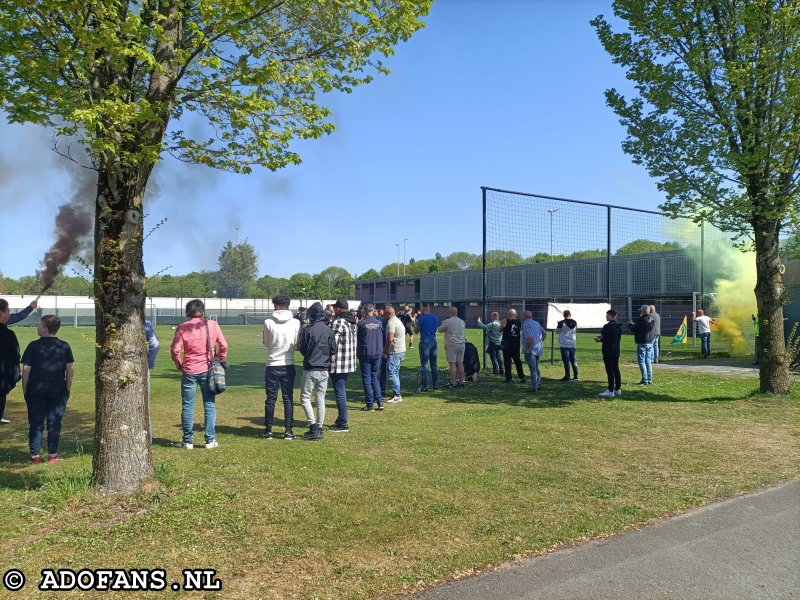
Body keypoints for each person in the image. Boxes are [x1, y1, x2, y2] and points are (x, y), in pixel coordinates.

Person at [170, 299, 228, 449]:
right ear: (202, 311)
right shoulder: (212, 325)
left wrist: (178, 364)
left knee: (188, 406)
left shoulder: (182, 327)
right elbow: (224, 345)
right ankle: (210, 440)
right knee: (209, 404)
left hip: (189, 369)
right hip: (207, 369)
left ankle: (187, 440)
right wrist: (220, 358)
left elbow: (175, 350)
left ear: (188, 311)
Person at [21, 314, 74, 463]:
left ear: (45, 328)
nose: (37, 326)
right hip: (58, 390)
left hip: (35, 390)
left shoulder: (33, 346)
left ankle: (35, 457)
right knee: (54, 423)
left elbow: (26, 370)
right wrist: (67, 388)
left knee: (36, 423)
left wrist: (25, 390)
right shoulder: (64, 346)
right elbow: (70, 370)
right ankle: (52, 455)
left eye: (39, 324)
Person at [263, 294, 301, 440]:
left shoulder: (268, 322)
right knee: (288, 398)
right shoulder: (296, 323)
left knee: (271, 398)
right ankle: (288, 430)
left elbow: (266, 342)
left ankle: (268, 430)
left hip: (272, 364)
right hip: (288, 363)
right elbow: (297, 343)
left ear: (277, 306)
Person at [298, 303, 336, 441]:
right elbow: (333, 350)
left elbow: (302, 349)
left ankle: (313, 426)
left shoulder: (307, 330)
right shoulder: (329, 330)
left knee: (305, 398)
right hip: (324, 369)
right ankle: (319, 426)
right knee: (320, 399)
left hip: (310, 368)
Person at [329, 299, 357, 433]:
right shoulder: (352, 321)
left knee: (339, 391)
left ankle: (343, 422)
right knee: (341, 390)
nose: (333, 310)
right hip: (349, 361)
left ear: (339, 308)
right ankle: (341, 418)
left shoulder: (339, 321)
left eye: (334, 308)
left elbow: (331, 342)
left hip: (339, 362)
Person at [357, 303, 384, 411]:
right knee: (374, 378)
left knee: (367, 378)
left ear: (364, 310)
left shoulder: (361, 324)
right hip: (377, 352)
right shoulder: (379, 323)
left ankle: (369, 403)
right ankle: (380, 401)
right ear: (373, 310)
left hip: (365, 353)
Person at [0, 299, 22, 425]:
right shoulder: (8, 335)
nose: (9, 314)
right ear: (1, 313)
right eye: (8, 311)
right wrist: (13, 380)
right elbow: (14, 358)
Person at [595, 309, 623, 398]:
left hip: (608, 351)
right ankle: (617, 388)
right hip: (616, 350)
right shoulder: (619, 326)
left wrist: (599, 339)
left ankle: (610, 390)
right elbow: (613, 337)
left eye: (607, 315)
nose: (606, 317)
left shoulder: (607, 326)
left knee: (609, 370)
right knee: (616, 369)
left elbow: (605, 339)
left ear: (611, 316)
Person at [438, 306, 466, 388]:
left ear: (450, 312)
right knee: (460, 363)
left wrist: (443, 323)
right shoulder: (462, 322)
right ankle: (461, 382)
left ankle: (452, 383)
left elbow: (440, 330)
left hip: (451, 345)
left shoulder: (447, 321)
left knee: (452, 364)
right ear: (457, 312)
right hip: (461, 344)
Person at [383, 306, 406, 403]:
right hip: (401, 350)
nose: (383, 316)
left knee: (392, 373)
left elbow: (390, 339)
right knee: (396, 373)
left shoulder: (391, 323)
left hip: (394, 351)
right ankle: (396, 393)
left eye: (384, 314)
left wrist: (385, 351)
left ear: (389, 314)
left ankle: (397, 395)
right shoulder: (398, 321)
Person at [415, 303, 440, 391]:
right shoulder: (435, 318)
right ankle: (435, 384)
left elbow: (416, 331)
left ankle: (425, 385)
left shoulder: (421, 318)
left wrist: (415, 323)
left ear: (424, 308)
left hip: (425, 342)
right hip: (433, 341)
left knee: (425, 364)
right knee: (434, 364)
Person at [628, 305, 655, 385]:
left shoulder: (641, 319)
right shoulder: (652, 319)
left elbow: (634, 329)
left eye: (641, 310)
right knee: (648, 361)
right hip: (650, 342)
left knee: (642, 361)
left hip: (642, 342)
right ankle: (649, 379)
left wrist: (630, 324)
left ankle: (644, 379)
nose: (640, 311)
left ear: (643, 311)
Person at [522, 311, 546, 392]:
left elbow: (530, 338)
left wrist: (526, 349)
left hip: (531, 350)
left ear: (524, 316)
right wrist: (540, 341)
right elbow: (545, 333)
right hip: (538, 349)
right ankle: (538, 384)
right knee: (536, 367)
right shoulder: (536, 323)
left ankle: (534, 386)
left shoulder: (525, 324)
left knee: (533, 369)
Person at [500, 308, 526, 384]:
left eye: (510, 314)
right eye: (509, 314)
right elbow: (500, 330)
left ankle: (516, 377)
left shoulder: (512, 321)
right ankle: (514, 377)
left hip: (511, 345)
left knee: (513, 361)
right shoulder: (515, 321)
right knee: (512, 361)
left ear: (514, 315)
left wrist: (503, 323)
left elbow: (500, 329)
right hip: (511, 345)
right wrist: (503, 324)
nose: (509, 316)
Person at [144, 319, 160, 442]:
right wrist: (149, 363)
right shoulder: (146, 323)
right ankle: (148, 437)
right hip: (142, 367)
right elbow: (154, 344)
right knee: (145, 402)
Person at [556, 310, 578, 381]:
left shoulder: (561, 323)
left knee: (566, 361)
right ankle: (575, 376)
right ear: (570, 314)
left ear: (564, 315)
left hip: (564, 344)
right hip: (572, 344)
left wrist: (558, 324)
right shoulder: (575, 322)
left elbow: (557, 332)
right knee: (573, 360)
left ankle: (567, 376)